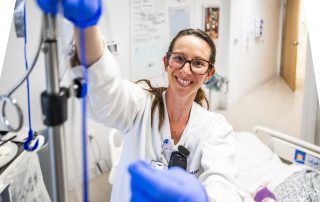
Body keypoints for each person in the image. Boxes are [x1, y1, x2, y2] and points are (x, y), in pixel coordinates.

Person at [36, 0, 252, 201]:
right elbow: (104, 89)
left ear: (209, 74)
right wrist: (86, 26)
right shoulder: (140, 103)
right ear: (166, 62)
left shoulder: (215, 127)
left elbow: (224, 183)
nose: (186, 70)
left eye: (198, 63)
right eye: (179, 58)